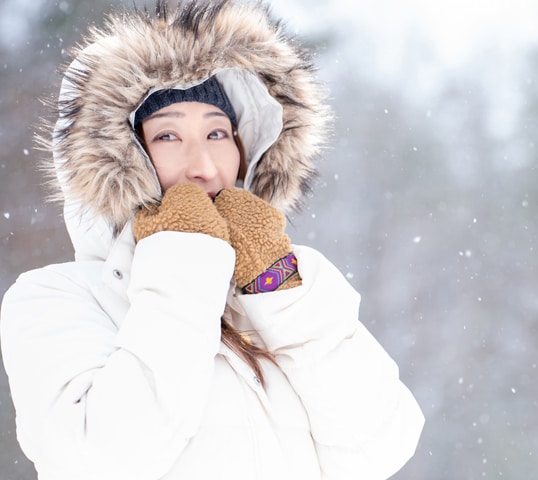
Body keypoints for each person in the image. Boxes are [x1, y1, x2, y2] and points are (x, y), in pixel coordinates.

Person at [0, 1, 424, 479]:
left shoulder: (287, 280)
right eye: (167, 136)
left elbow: (380, 448)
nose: (202, 164)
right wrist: (183, 259)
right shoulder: (56, 300)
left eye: (218, 132)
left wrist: (277, 290)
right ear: (118, 159)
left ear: (247, 150)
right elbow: (104, 462)